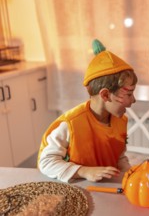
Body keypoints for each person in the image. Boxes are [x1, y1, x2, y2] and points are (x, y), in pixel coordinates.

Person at [38, 39, 137, 183]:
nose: (133, 100)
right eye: (129, 94)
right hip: (79, 190)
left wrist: (128, 172)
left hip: (109, 188)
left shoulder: (121, 121)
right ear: (105, 95)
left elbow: (119, 156)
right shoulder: (71, 124)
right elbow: (45, 162)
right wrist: (83, 171)